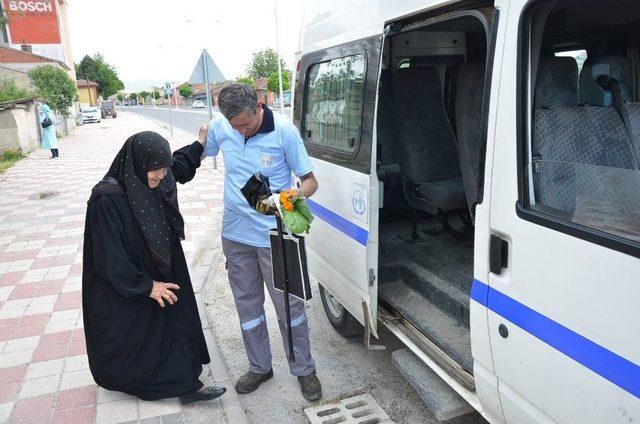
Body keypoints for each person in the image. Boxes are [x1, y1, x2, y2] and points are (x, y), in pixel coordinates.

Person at [82, 129, 226, 404]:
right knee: (143, 335)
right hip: (129, 279)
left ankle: (185, 384)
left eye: (163, 169)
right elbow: (109, 256)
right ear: (139, 162)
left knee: (175, 321)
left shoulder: (158, 175)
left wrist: (200, 144)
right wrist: (146, 286)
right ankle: (158, 381)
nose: (162, 175)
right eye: (156, 170)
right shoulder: (107, 198)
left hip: (163, 265)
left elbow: (179, 164)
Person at [203, 84, 322, 401]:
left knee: (290, 306)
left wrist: (283, 200)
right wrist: (201, 138)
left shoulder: (284, 132)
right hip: (235, 235)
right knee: (247, 305)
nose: (241, 130)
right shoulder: (222, 127)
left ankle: (304, 369)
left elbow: (310, 182)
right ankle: (260, 366)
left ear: (259, 106)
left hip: (276, 235)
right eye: (235, 126)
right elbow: (205, 144)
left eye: (246, 123)